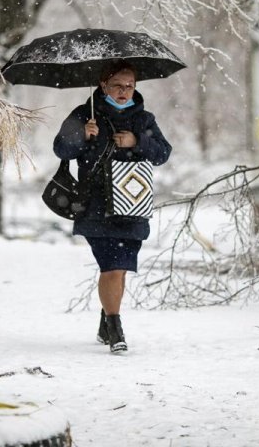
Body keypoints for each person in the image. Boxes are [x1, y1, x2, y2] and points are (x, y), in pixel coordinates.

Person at [53, 59, 172, 354]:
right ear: (103, 85)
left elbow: (162, 154)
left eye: (129, 85)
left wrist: (137, 140)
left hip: (132, 206)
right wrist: (83, 135)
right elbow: (60, 149)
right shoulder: (85, 114)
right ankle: (116, 328)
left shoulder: (144, 120)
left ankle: (105, 322)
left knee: (119, 270)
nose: (123, 91)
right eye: (117, 85)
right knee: (112, 266)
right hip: (95, 206)